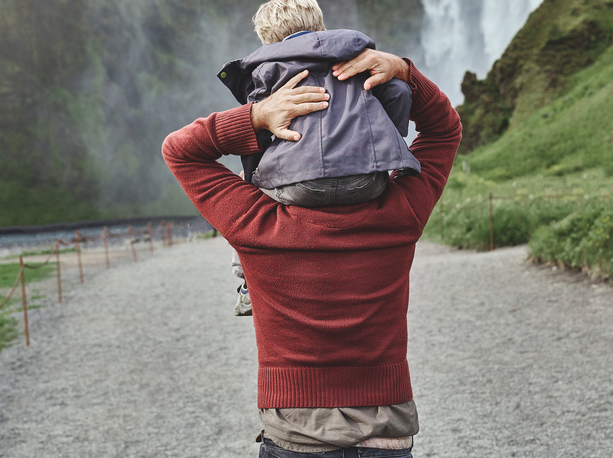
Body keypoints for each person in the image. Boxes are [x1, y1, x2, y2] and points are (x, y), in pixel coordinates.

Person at [162, 43, 462, 455]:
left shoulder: (256, 224)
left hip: (295, 434)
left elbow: (180, 151)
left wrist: (257, 116)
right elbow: (445, 129)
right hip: (387, 431)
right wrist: (404, 72)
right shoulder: (400, 213)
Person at [219, 0, 422, 316]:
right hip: (366, 181)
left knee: (246, 189)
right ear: (321, 27)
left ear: (268, 40)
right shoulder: (358, 59)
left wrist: (253, 178)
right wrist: (384, 153)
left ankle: (246, 286)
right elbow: (399, 91)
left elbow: (256, 131)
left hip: (299, 185)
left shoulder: (267, 69)